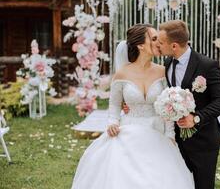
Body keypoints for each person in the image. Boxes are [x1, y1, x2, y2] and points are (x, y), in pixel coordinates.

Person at [71, 24, 194, 189]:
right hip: (129, 130)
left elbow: (168, 104)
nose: (159, 43)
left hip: (157, 133)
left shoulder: (162, 71)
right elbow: (114, 105)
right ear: (141, 45)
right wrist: (112, 123)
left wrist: (170, 135)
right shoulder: (122, 74)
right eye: (154, 38)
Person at [158, 20, 220, 189]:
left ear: (174, 45)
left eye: (161, 42)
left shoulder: (207, 65)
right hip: (175, 141)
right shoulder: (167, 63)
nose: (158, 46)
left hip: (203, 140)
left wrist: (196, 118)